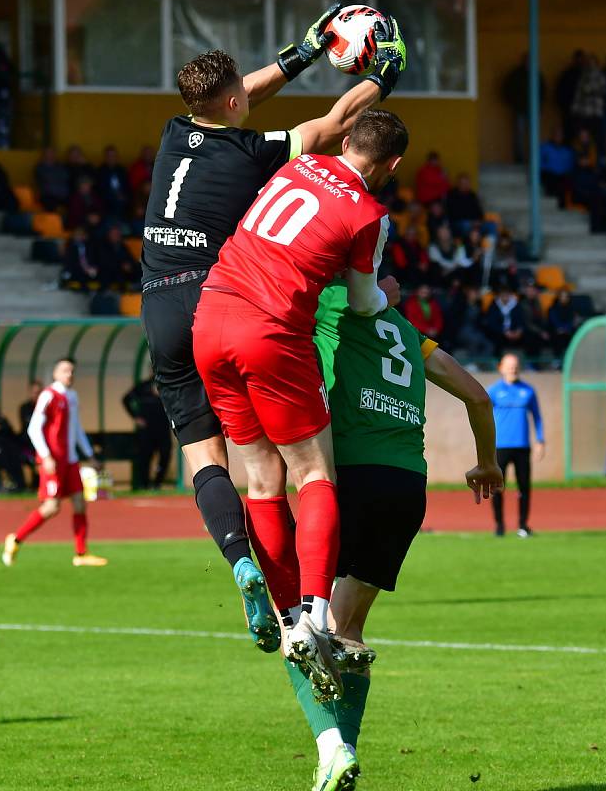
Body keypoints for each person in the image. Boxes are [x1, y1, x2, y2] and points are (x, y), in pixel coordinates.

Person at [140, 8, 405, 658]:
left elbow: (237, 93)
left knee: (211, 461)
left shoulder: (178, 131)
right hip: (230, 298)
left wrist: (307, 50)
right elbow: (337, 127)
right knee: (306, 470)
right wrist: (384, 75)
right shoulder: (263, 156)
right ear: (232, 102)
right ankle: (312, 610)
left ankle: (243, 567)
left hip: (160, 307)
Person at [193, 108, 407, 788]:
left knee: (260, 481)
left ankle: (287, 615)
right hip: (269, 331)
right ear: (394, 164)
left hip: (210, 319)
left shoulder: (299, 164)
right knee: (313, 472)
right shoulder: (367, 214)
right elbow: (368, 302)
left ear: (345, 142)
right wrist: (380, 294)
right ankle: (314, 610)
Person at [263, 280, 502, 790]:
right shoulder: (413, 336)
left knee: (302, 627)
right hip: (406, 485)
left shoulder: (336, 314)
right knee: (347, 629)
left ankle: (335, 747)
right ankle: (343, 753)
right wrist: (486, 463)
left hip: (346, 477)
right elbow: (479, 398)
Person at [2, 358, 107, 567]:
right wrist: (46, 455)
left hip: (70, 461)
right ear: (55, 374)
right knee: (51, 507)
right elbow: (33, 428)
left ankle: (81, 553)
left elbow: (76, 428)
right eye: (65, 370)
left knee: (79, 503)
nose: (70, 374)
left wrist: (89, 455)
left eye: (72, 371)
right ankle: (15, 539)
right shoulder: (48, 395)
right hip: (54, 461)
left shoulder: (72, 396)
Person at [488, 353, 544, 537]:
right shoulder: (493, 391)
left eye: (515, 365)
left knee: (524, 487)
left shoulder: (528, 390)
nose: (513, 369)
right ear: (501, 368)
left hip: (522, 446)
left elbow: (537, 417)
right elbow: (484, 418)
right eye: (509, 365)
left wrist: (540, 440)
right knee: (497, 487)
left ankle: (523, 525)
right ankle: (499, 526)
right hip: (500, 446)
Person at [122, 377, 171, 489]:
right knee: (145, 457)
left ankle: (157, 483)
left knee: (165, 455)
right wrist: (136, 417)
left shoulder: (166, 383)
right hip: (147, 429)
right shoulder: (143, 386)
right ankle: (144, 484)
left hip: (163, 428)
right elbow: (126, 399)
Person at [502, 52, 546, 163]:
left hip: (533, 110)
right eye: (527, 60)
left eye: (531, 61)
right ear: (523, 61)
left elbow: (543, 92)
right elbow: (507, 90)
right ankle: (519, 160)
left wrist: (539, 106)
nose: (529, 63)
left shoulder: (537, 74)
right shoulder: (516, 74)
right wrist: (514, 103)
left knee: (534, 136)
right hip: (520, 110)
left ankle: (533, 160)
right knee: (519, 135)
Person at [0, 396, 25, 492]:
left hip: (5, 447)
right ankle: (1, 483)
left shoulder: (0, 417)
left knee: (13, 455)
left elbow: (9, 430)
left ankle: (18, 484)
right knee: (0, 454)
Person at [570, 53, 606, 147]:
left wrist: (590, 90)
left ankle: (598, 159)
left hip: (596, 112)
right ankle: (584, 158)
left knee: (596, 137)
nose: (591, 65)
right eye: (589, 63)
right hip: (583, 112)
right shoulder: (583, 76)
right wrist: (575, 108)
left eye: (593, 63)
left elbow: (603, 91)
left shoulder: (601, 76)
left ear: (596, 63)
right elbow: (578, 94)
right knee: (583, 136)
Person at [540, 126, 575, 207]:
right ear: (552, 136)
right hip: (549, 174)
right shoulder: (545, 147)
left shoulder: (567, 150)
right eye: (556, 135)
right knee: (552, 180)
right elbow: (539, 162)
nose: (558, 137)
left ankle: (563, 205)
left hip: (562, 175)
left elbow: (570, 165)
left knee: (566, 182)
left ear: (563, 137)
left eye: (560, 135)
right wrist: (547, 169)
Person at [485, 287, 525, 357]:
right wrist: (504, 331)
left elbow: (521, 319)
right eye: (503, 295)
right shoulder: (494, 306)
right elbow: (492, 323)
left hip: (514, 332)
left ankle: (528, 362)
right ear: (499, 295)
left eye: (507, 294)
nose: (505, 297)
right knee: (495, 339)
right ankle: (497, 361)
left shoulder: (516, 305)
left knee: (528, 337)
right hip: (500, 332)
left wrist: (519, 330)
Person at [556, 50, 585, 143]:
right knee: (568, 132)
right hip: (568, 109)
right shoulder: (567, 74)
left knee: (582, 133)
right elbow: (560, 91)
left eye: (581, 59)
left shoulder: (587, 74)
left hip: (583, 110)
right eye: (577, 59)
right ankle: (568, 154)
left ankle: (582, 155)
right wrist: (563, 105)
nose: (579, 61)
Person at [18, 381, 43, 488]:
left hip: (42, 445)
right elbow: (28, 426)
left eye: (38, 392)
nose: (36, 395)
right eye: (34, 392)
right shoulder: (24, 408)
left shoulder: (46, 407)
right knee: (29, 460)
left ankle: (39, 485)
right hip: (28, 445)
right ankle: (29, 485)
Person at [95, 145, 130, 219]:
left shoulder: (122, 170)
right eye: (109, 155)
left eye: (113, 155)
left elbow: (127, 186)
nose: (111, 158)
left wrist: (124, 195)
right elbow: (100, 189)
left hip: (122, 198)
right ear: (105, 157)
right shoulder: (100, 171)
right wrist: (114, 196)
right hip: (107, 199)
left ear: (117, 157)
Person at [34, 147, 70, 211]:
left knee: (75, 204)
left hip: (63, 195)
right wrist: (56, 177)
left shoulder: (61, 166)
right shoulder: (40, 167)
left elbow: (65, 177)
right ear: (44, 155)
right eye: (48, 153)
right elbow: (47, 178)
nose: (50, 155)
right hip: (48, 195)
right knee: (50, 206)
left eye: (52, 153)